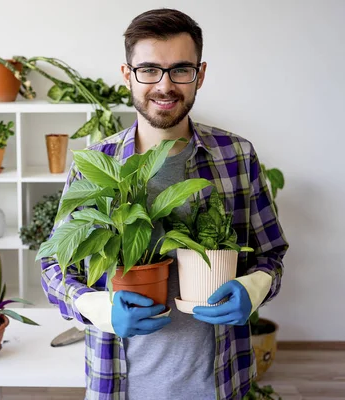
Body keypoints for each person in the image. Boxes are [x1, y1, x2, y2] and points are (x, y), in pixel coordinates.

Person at [40, 8, 289, 400]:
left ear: (200, 75)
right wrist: (99, 307)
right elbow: (53, 264)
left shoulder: (236, 156)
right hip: (117, 384)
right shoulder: (94, 163)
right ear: (128, 75)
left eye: (180, 70)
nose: (165, 85)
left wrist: (254, 288)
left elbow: (271, 254)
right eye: (149, 69)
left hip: (220, 383)